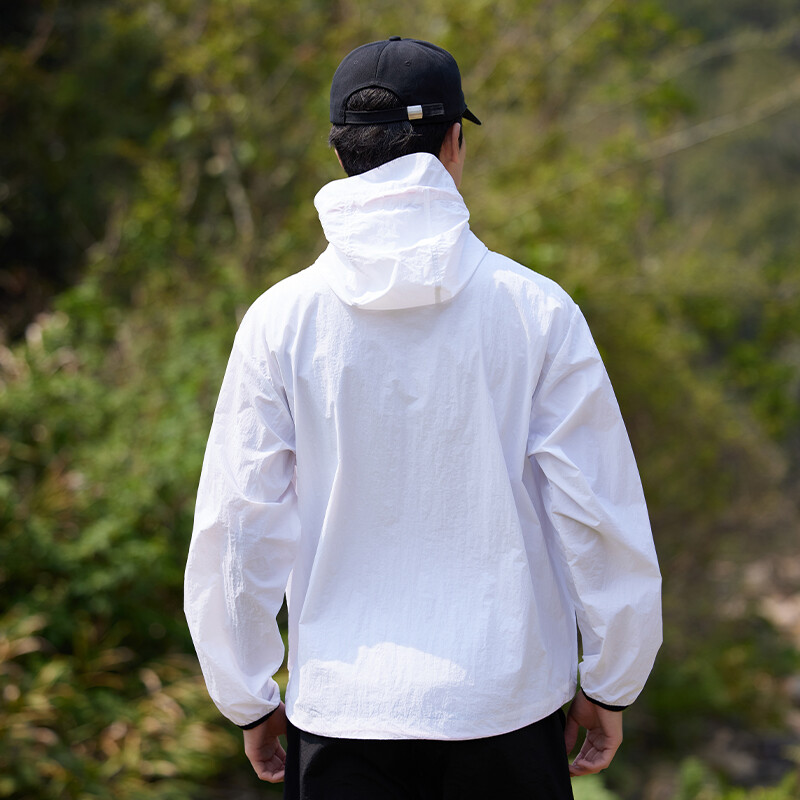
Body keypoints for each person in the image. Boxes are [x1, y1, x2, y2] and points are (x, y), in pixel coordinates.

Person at [184, 36, 662, 800]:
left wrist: (247, 694)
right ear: (454, 144)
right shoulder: (537, 312)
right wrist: (610, 682)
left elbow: (237, 531)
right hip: (505, 714)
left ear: (340, 152)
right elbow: (598, 515)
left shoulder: (281, 321)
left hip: (342, 718)